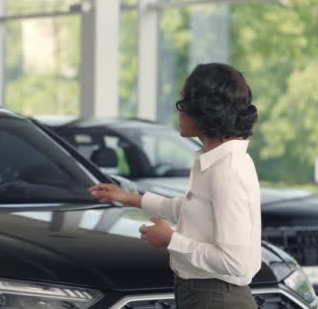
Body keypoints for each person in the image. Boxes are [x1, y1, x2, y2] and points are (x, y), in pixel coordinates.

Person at [89, 63, 260, 308]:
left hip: (215, 299)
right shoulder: (217, 162)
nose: (179, 112)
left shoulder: (227, 171)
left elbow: (234, 261)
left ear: (204, 109)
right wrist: (132, 198)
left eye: (183, 103)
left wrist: (171, 240)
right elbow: (195, 213)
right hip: (206, 295)